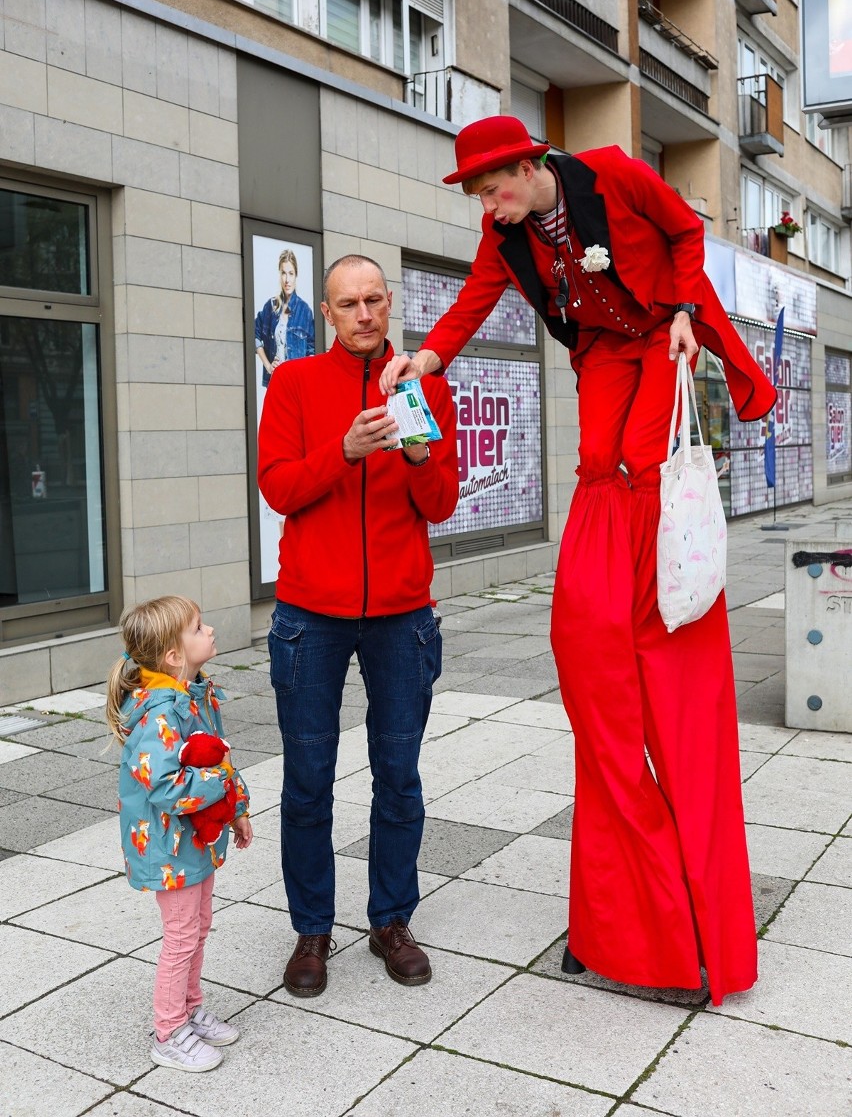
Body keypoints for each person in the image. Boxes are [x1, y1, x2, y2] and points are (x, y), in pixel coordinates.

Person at [380, 117, 777, 1006]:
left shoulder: (612, 176)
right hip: (601, 350)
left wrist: (680, 312)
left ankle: (642, 565)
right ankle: (605, 574)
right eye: (481, 197)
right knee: (599, 463)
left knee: (639, 461)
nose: (487, 206)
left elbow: (684, 231)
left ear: (529, 166)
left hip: (657, 333)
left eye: (493, 188)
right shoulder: (505, 237)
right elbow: (473, 306)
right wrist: (428, 359)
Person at [257, 253, 458, 996]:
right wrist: (342, 452)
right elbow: (278, 487)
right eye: (348, 303)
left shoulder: (425, 383)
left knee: (398, 778)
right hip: (312, 614)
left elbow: (439, 503)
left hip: (402, 615)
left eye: (375, 299)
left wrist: (412, 447)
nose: (364, 314)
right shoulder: (295, 382)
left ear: (389, 303)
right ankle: (312, 930)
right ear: (330, 312)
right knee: (308, 782)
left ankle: (390, 920)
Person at [106, 596, 253, 1072]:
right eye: (198, 627)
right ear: (173, 655)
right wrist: (225, 789)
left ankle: (190, 1009)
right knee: (181, 936)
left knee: (198, 927)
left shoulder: (194, 695)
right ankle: (168, 1031)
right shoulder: (159, 714)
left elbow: (218, 757)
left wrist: (238, 808)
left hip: (192, 840)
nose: (209, 631)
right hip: (168, 845)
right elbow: (170, 787)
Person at [255, 247, 315, 385]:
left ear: (296, 275)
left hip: (296, 383)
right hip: (275, 382)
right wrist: (268, 365)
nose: (287, 279)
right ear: (279, 274)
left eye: (291, 273)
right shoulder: (270, 307)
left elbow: (311, 352)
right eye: (283, 273)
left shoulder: (305, 310)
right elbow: (254, 334)